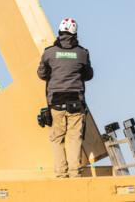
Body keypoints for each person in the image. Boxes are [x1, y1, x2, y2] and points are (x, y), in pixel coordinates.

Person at [37, 18, 94, 178]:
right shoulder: (82, 53)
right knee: (75, 138)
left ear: (60, 32)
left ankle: (62, 175)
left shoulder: (49, 53)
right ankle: (75, 174)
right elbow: (88, 75)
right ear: (75, 33)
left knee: (57, 139)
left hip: (55, 102)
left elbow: (41, 74)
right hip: (76, 101)